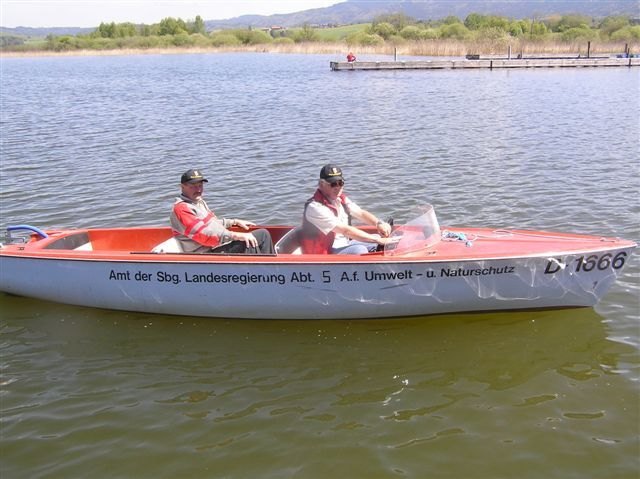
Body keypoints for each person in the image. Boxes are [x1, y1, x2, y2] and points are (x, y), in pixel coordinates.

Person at [170, 169, 275, 254]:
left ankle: (271, 272)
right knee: (255, 239)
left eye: (200, 185)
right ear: (182, 187)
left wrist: (234, 222)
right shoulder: (182, 209)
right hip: (204, 255)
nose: (198, 190)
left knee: (263, 234)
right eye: (193, 186)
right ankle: (265, 276)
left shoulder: (197, 202)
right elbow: (205, 235)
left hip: (214, 247)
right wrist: (236, 235)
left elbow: (212, 225)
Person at [299, 164, 396, 255]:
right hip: (326, 253)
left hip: (344, 243)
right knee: (360, 249)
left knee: (378, 237)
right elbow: (345, 230)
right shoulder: (315, 207)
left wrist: (379, 223)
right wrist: (378, 241)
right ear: (321, 184)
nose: (337, 187)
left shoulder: (340, 199)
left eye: (340, 183)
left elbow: (360, 213)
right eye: (333, 184)